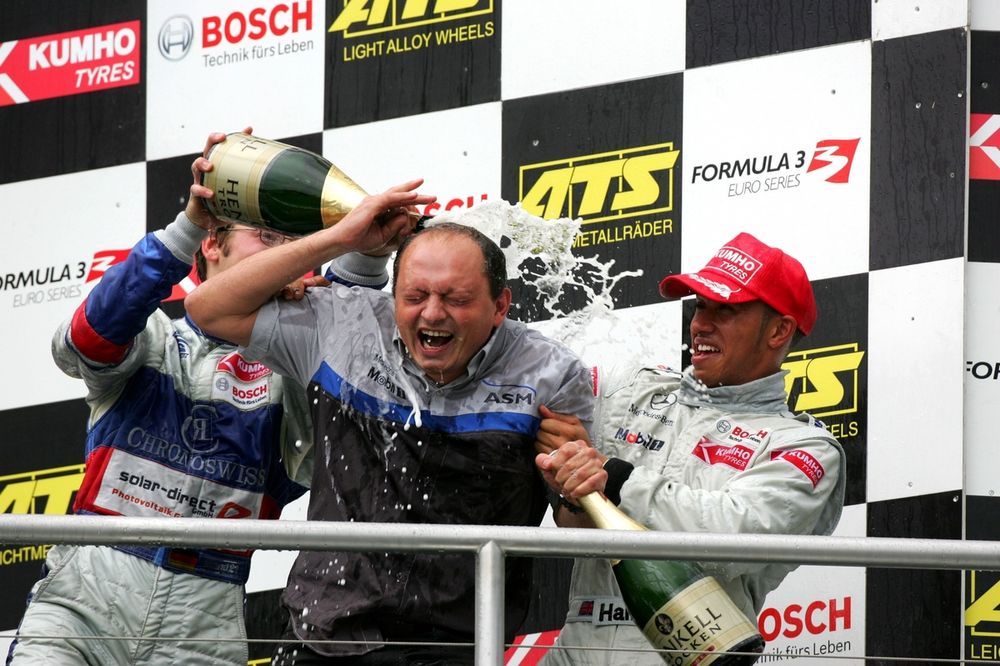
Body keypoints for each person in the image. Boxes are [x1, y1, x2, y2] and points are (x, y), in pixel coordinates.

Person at [6, 131, 389, 666]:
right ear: (211, 245)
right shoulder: (155, 338)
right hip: (87, 595)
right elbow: (83, 341)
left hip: (205, 615)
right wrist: (187, 226)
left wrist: (367, 254)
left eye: (296, 245)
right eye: (268, 237)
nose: (286, 255)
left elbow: (347, 345)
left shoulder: (295, 373)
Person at [184, 185, 596, 664]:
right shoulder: (344, 322)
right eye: (414, 296)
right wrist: (340, 238)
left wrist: (575, 488)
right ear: (393, 295)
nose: (433, 313)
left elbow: (578, 523)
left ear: (501, 306)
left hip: (455, 646)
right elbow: (207, 308)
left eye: (457, 299)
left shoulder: (551, 373)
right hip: (324, 633)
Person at [534, 232, 846, 665]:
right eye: (700, 306)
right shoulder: (629, 389)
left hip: (686, 652)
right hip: (573, 647)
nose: (700, 324)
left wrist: (614, 477)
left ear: (778, 331)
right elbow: (517, 377)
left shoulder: (804, 447)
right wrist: (570, 483)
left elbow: (734, 537)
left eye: (726, 310)